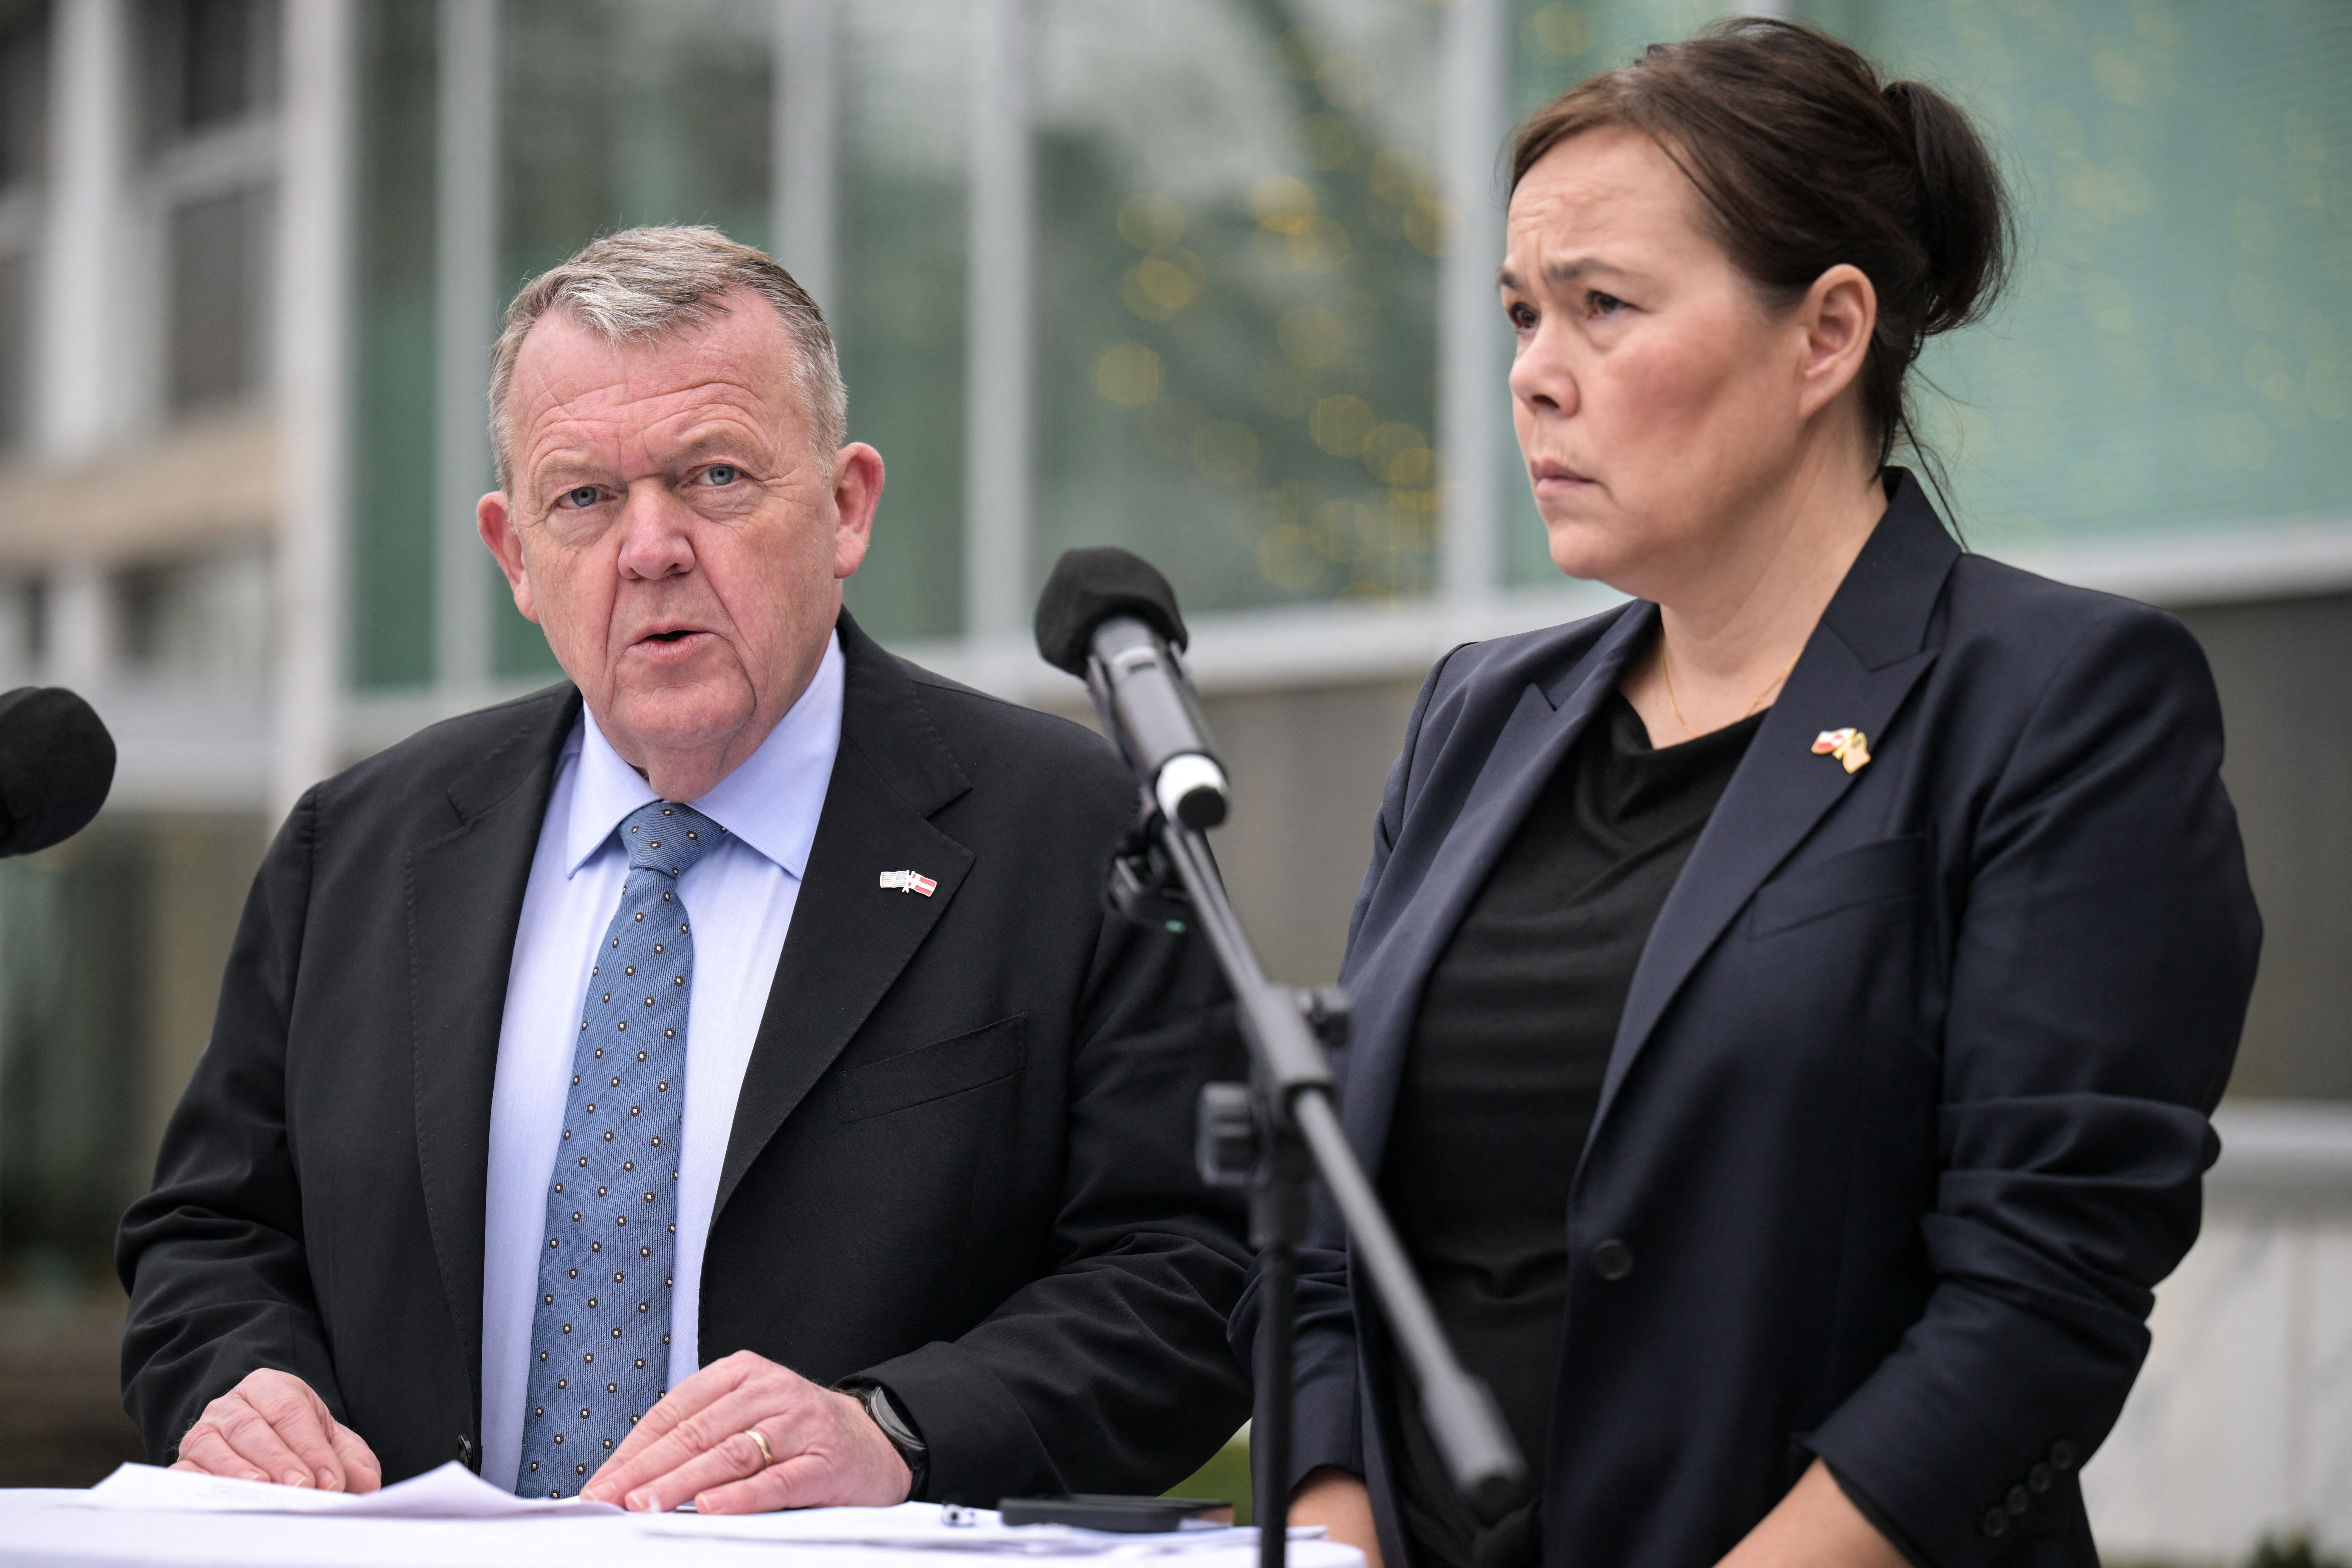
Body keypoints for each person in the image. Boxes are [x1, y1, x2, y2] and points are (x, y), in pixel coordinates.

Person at [1245, 20, 2261, 1568]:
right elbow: (1329, 1234)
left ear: (1825, 335)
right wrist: (1330, 1536)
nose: (1533, 376)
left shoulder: (2056, 700)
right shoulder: (1478, 714)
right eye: (1521, 315)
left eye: (1601, 309)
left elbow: (2039, 1296)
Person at [117, 226, 1250, 1511]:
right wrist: (240, 1382)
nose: (649, 547)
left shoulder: (1071, 829)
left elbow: (1191, 1270)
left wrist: (897, 1429)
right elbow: (211, 1234)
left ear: (844, 506)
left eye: (712, 476)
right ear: (513, 556)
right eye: (584, 498)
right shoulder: (357, 850)